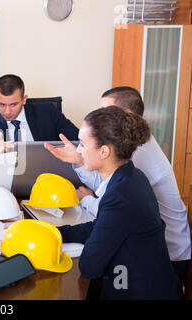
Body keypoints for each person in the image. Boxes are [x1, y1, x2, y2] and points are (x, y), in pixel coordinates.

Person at [45, 86, 191, 283]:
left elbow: (91, 263)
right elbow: (105, 215)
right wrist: (53, 233)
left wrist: (87, 200)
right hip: (145, 255)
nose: (80, 150)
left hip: (165, 259)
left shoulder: (133, 167)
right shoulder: (127, 170)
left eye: (83, 144)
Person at [0, 74, 79, 155]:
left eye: (13, 104)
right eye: (2, 104)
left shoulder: (48, 112)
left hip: (48, 173)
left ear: (24, 100)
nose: (7, 111)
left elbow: (78, 141)